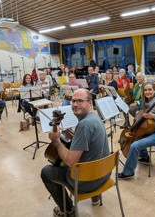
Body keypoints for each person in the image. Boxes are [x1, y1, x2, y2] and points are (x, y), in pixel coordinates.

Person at [41, 89, 110, 217]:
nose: (75, 104)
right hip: (104, 174)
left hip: (88, 181)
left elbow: (72, 162)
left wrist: (56, 141)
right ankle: (96, 198)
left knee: (46, 171)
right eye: (73, 101)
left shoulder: (84, 125)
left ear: (89, 103)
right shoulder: (95, 117)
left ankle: (68, 210)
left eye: (80, 101)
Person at [118, 82, 155, 179]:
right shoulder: (146, 102)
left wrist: (153, 116)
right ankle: (144, 157)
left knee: (134, 145)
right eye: (145, 90)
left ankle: (128, 172)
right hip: (150, 131)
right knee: (139, 136)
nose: (147, 92)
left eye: (150, 89)